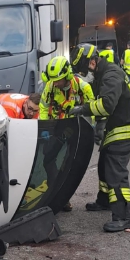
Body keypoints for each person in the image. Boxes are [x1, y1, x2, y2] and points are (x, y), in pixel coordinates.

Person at [68, 43, 130, 232]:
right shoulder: (101, 73)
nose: (85, 75)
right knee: (103, 164)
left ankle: (124, 217)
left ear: (93, 62)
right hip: (116, 125)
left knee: (115, 171)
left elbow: (107, 104)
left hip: (126, 127)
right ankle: (104, 200)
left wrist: (82, 110)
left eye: (84, 70)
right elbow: (98, 100)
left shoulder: (111, 75)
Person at [38, 55, 96, 211]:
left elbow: (93, 109)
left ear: (67, 76)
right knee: (48, 160)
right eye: (53, 81)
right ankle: (54, 192)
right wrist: (44, 128)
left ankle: (63, 198)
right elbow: (44, 107)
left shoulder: (82, 87)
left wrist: (93, 129)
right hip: (56, 129)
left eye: (58, 80)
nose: (55, 83)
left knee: (69, 165)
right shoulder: (50, 87)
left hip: (75, 131)